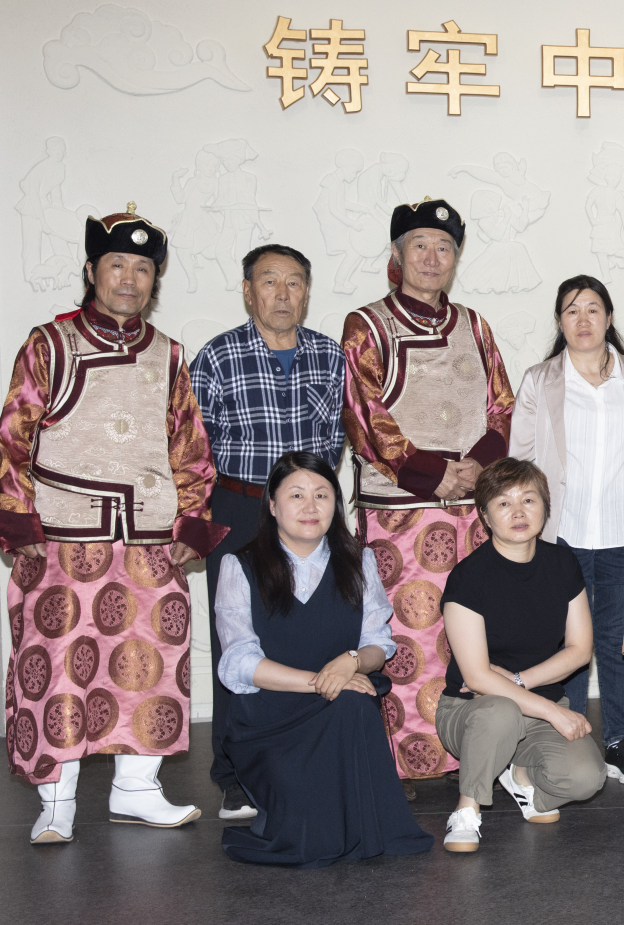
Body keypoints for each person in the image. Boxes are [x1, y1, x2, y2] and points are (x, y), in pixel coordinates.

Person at [0, 204, 224, 843]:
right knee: (59, 666)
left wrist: (191, 523)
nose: (129, 279)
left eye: (142, 269)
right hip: (65, 538)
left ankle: (137, 788)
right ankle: (56, 798)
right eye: (117, 264)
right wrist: (22, 527)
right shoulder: (49, 343)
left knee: (149, 661)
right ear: (92, 270)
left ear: (155, 280)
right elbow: (14, 438)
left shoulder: (168, 354)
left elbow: (190, 448)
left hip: (149, 538)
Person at [341, 197, 515, 792]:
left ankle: (481, 754)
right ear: (397, 253)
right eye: (420, 245)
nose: (432, 257)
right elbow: (364, 413)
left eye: (444, 247)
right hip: (402, 514)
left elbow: (502, 406)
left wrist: (475, 468)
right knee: (409, 641)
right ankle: (406, 760)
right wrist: (431, 472)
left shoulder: (474, 325)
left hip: (471, 511)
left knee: (475, 635)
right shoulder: (368, 325)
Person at [214, 451, 432, 867]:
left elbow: (378, 644)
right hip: (270, 720)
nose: (310, 506)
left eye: (322, 495)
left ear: (335, 504)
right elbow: (239, 662)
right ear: (272, 506)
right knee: (307, 834)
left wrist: (352, 662)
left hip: (341, 710)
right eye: (296, 495)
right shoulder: (239, 566)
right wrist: (322, 681)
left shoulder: (360, 561)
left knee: (354, 704)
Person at [191, 242, 347, 820]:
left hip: (308, 509)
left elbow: (335, 439)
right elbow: (194, 446)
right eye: (269, 281)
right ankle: (234, 772)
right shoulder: (217, 356)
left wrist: (310, 501)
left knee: (312, 628)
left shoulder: (329, 355)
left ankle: (311, 753)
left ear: (307, 293)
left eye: (295, 282)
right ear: (247, 290)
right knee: (237, 637)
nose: (283, 294)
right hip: (239, 506)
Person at [510, 274, 624, 787]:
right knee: (566, 644)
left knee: (621, 642)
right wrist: (524, 530)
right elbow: (521, 461)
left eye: (593, 309)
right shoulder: (540, 380)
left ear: (609, 317)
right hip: (562, 536)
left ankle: (619, 740)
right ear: (559, 321)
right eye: (572, 310)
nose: (583, 320)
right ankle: (570, 734)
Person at [436, 458, 606, 853]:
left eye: (528, 500)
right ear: (485, 516)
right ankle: (467, 809)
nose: (518, 512)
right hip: (471, 712)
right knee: (500, 710)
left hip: (535, 704)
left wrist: (517, 682)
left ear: (545, 507)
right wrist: (552, 711)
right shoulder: (468, 577)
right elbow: (477, 679)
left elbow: (580, 650)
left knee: (586, 778)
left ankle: (521, 776)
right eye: (503, 503)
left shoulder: (562, 563)